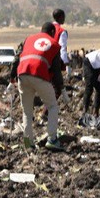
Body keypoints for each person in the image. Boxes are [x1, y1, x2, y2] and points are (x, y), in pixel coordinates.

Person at [10, 22, 64, 151]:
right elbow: (56, 70)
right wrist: (60, 87)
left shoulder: (29, 39)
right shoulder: (54, 44)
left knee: (27, 111)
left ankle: (28, 142)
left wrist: (12, 75)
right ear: (52, 32)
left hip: (22, 74)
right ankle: (52, 139)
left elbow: (17, 58)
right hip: (39, 75)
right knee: (52, 106)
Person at [52, 9, 70, 76]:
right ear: (61, 17)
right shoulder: (61, 31)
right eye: (64, 17)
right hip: (55, 59)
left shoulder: (48, 27)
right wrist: (65, 61)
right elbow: (62, 46)